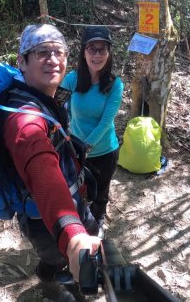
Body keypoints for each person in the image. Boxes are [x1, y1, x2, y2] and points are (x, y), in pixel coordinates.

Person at [0, 24, 101, 292]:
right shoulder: (24, 119)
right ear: (22, 61)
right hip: (45, 218)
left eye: (59, 52)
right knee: (54, 259)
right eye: (42, 52)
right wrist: (73, 240)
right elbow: (42, 170)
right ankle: (48, 283)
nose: (53, 60)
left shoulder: (45, 97)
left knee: (88, 239)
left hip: (76, 202)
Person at [61, 26, 124, 236]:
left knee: (100, 193)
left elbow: (106, 122)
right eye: (92, 48)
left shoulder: (115, 85)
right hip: (75, 149)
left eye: (102, 49)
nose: (97, 54)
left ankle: (98, 225)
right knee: (78, 191)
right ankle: (79, 225)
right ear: (83, 51)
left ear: (109, 53)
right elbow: (55, 103)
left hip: (104, 150)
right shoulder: (72, 79)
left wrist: (85, 146)